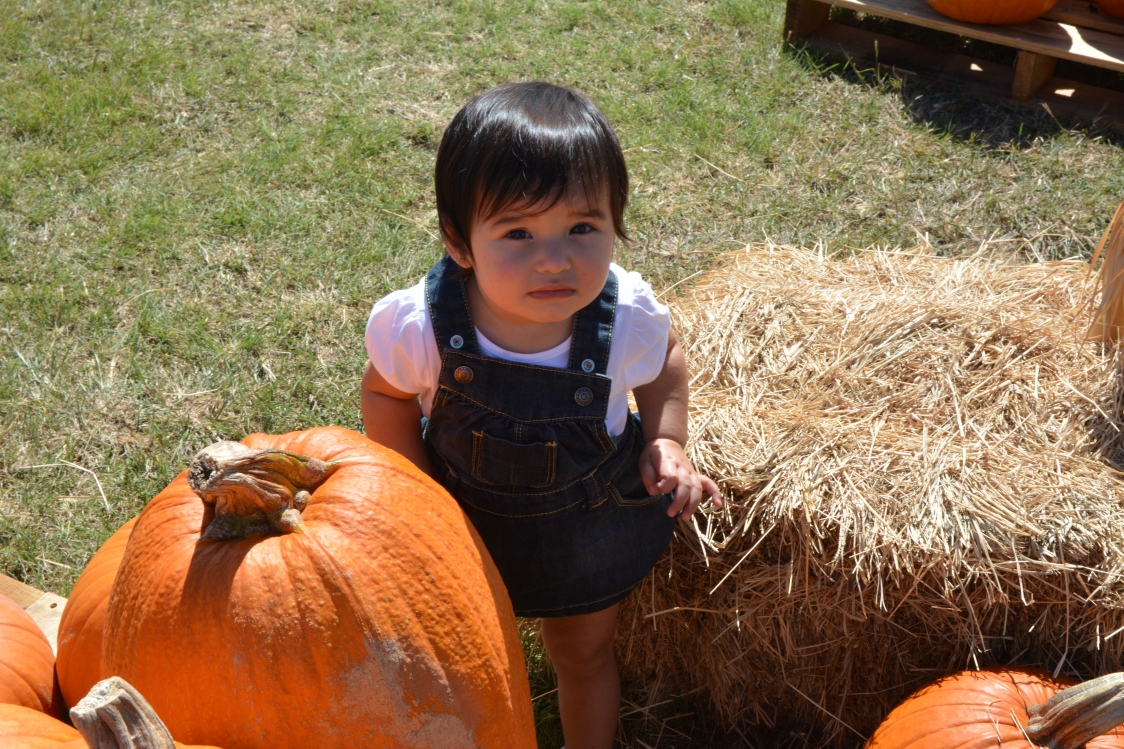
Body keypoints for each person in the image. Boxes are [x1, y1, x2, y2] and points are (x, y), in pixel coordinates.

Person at [360, 81, 721, 749]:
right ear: (460, 244)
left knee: (583, 655)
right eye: (518, 233)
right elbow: (385, 395)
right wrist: (416, 495)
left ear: (615, 223)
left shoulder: (625, 319)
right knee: (461, 659)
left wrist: (668, 438)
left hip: (586, 536)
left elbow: (666, 359)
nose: (554, 259)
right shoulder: (423, 327)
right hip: (464, 530)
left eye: (582, 228)